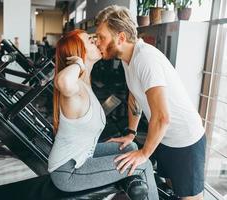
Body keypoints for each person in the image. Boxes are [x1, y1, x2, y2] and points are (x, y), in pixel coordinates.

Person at [95, 5, 206, 200]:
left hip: (185, 140)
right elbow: (134, 96)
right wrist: (131, 133)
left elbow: (162, 117)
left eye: (102, 37)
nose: (97, 42)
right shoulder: (127, 59)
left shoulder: (145, 58)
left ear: (120, 38)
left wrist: (144, 153)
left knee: (189, 198)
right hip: (164, 138)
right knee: (172, 192)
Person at [48, 29, 159, 199]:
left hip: (83, 155)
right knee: (143, 164)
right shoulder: (75, 87)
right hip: (69, 171)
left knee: (130, 148)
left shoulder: (85, 84)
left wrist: (130, 134)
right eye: (91, 41)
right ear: (80, 51)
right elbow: (62, 82)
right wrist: (78, 63)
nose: (97, 42)